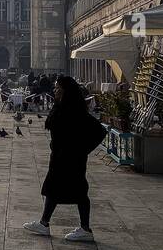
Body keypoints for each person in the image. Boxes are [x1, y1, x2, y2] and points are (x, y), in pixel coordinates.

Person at [25, 75, 106, 241]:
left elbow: (99, 131)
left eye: (57, 88)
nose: (54, 90)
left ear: (66, 91)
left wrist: (83, 149)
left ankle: (84, 229)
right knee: (53, 189)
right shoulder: (61, 107)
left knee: (78, 192)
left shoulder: (75, 110)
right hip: (60, 157)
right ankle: (44, 223)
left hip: (71, 158)